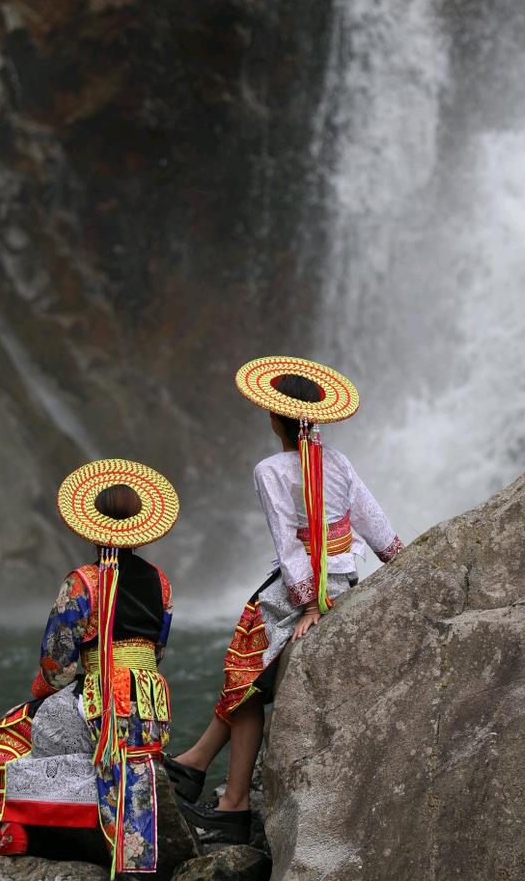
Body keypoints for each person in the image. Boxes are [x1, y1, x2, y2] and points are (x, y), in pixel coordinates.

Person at [0, 458, 179, 877]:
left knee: (12, 727)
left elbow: (55, 665)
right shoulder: (161, 582)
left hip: (101, 706)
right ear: (139, 528)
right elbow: (157, 652)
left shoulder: (83, 582)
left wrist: (44, 689)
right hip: (150, 710)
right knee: (38, 724)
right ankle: (12, 827)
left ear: (91, 527)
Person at [166, 357, 404, 839]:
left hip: (309, 590)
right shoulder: (337, 461)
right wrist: (400, 566)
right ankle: (193, 765)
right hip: (343, 577)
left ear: (274, 418)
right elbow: (375, 523)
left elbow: (288, 544)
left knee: (245, 678)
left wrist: (311, 604)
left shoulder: (271, 470)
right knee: (245, 675)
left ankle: (231, 804)